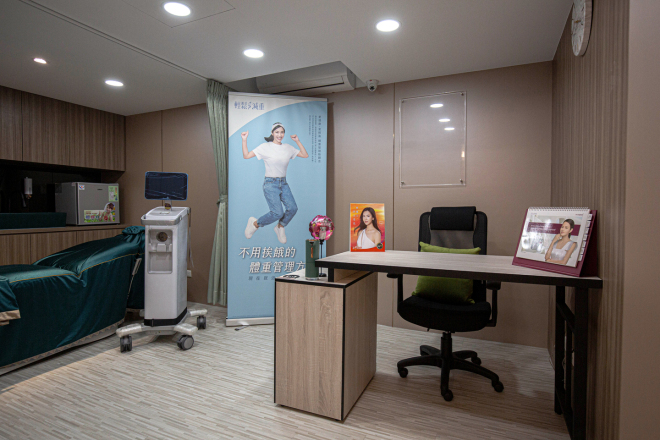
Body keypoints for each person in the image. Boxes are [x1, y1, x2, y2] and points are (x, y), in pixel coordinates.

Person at [242, 122, 308, 244]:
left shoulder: (288, 147)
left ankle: (280, 227)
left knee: (293, 208)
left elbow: (305, 155)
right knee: (277, 212)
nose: (279, 135)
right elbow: (246, 155)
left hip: (283, 183)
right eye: (277, 132)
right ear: (272, 133)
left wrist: (297, 141)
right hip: (270, 183)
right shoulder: (265, 147)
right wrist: (244, 140)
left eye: (282, 132)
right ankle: (255, 224)